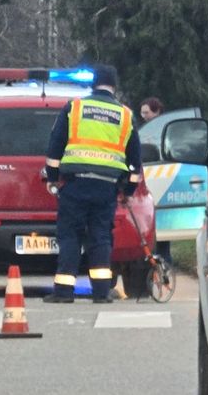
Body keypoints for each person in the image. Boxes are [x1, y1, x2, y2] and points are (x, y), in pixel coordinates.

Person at [42, 64, 143, 303]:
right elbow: (135, 162)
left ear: (92, 83)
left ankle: (64, 292)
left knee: (70, 236)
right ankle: (100, 292)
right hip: (106, 188)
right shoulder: (125, 115)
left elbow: (55, 147)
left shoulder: (75, 107)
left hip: (75, 185)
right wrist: (127, 191)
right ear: (114, 86)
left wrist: (54, 179)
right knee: (100, 238)